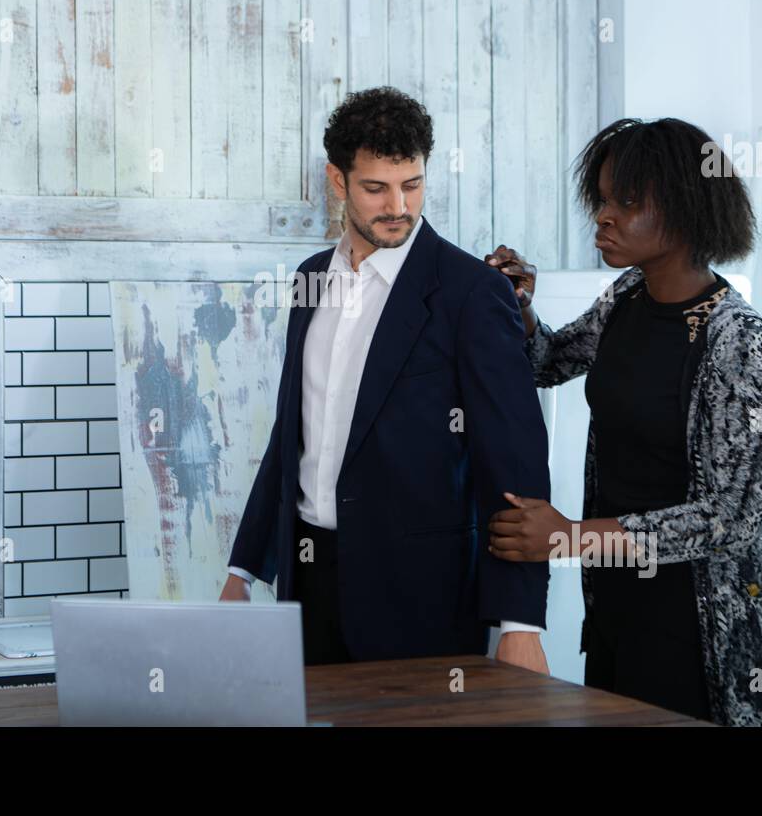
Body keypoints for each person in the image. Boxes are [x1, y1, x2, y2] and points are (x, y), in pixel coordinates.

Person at [221, 86, 551, 671]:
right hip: (309, 586)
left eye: (413, 184)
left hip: (423, 600)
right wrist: (243, 570)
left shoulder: (472, 293)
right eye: (375, 187)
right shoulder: (308, 279)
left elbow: (513, 465)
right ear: (337, 180)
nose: (398, 205)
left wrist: (519, 622)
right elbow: (293, 433)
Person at [484, 117, 762, 725]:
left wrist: (572, 537)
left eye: (626, 201)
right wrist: (518, 309)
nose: (604, 215)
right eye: (601, 199)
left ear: (684, 209)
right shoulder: (626, 297)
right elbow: (547, 362)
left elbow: (728, 519)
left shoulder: (739, 341)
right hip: (618, 619)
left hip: (702, 643)